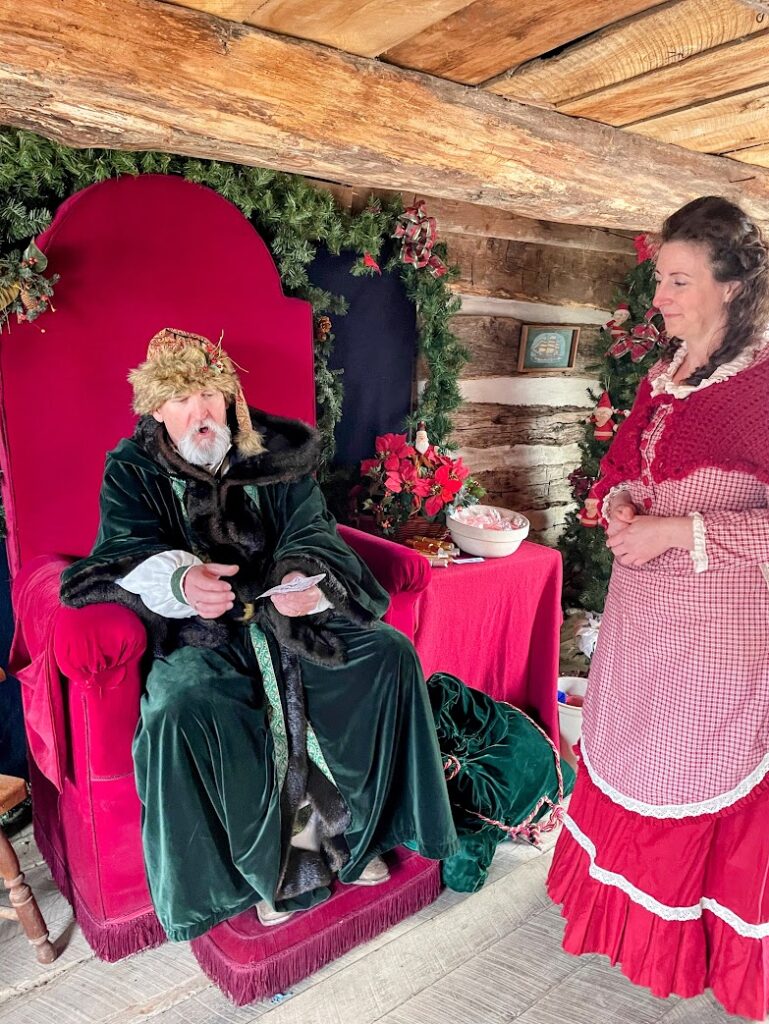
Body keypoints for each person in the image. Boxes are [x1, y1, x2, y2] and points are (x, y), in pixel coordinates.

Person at [60, 327, 459, 939]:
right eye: (180, 400)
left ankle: (355, 841)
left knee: (387, 653)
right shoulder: (132, 470)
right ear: (156, 408)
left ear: (230, 396)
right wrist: (182, 583)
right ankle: (266, 877)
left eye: (210, 396)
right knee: (183, 707)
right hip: (200, 635)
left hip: (288, 615)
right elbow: (121, 551)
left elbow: (312, 526)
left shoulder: (274, 451)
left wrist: (303, 575)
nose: (199, 414)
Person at [547, 196, 769, 1021]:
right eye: (660, 279)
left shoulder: (764, 387)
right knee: (637, 761)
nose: (661, 298)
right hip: (645, 625)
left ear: (733, 284)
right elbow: (622, 475)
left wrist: (679, 528)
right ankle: (636, 933)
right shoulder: (663, 378)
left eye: (678, 281)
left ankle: (704, 951)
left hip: (719, 636)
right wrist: (617, 508)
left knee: (694, 772)